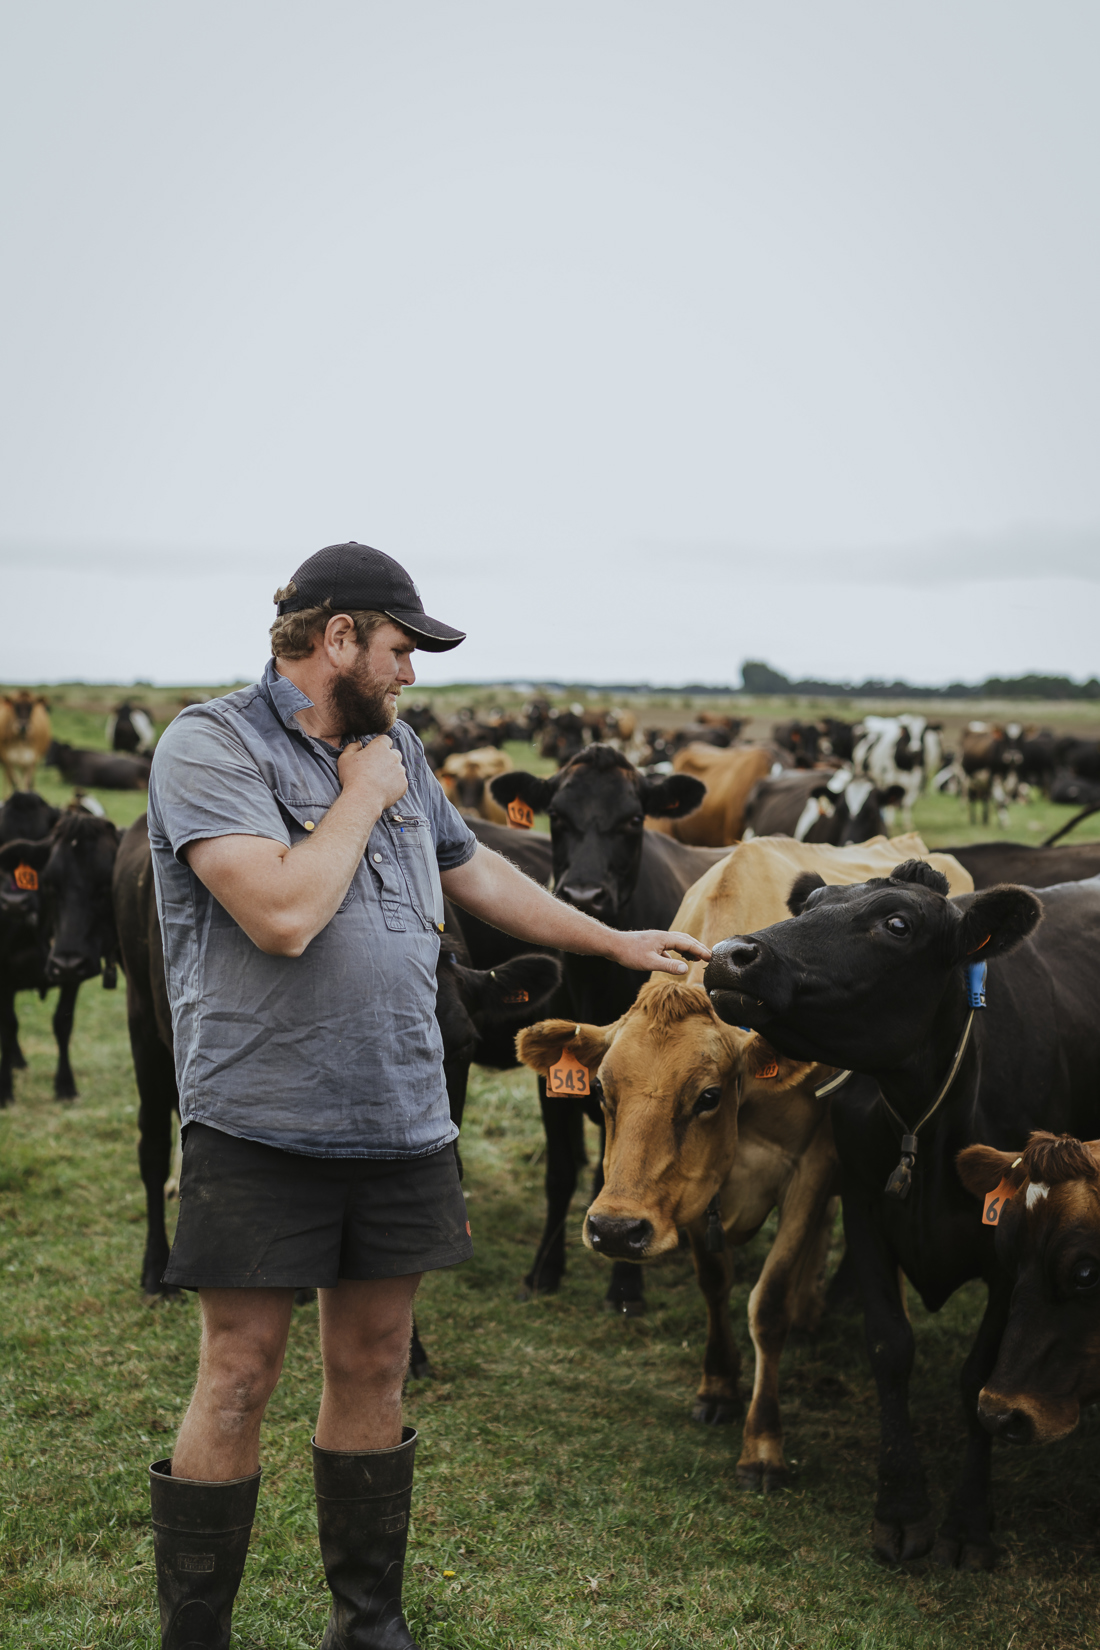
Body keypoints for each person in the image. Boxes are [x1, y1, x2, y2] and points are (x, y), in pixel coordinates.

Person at [144, 541, 710, 1650]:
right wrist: (358, 796)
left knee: (372, 1358)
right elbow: (281, 913)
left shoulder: (394, 747)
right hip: (262, 1117)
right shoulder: (210, 745)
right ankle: (195, 1634)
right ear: (338, 636)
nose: (410, 675)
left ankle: (368, 1627)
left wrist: (615, 938)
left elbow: (474, 873)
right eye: (401, 649)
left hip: (401, 1113)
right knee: (240, 1371)